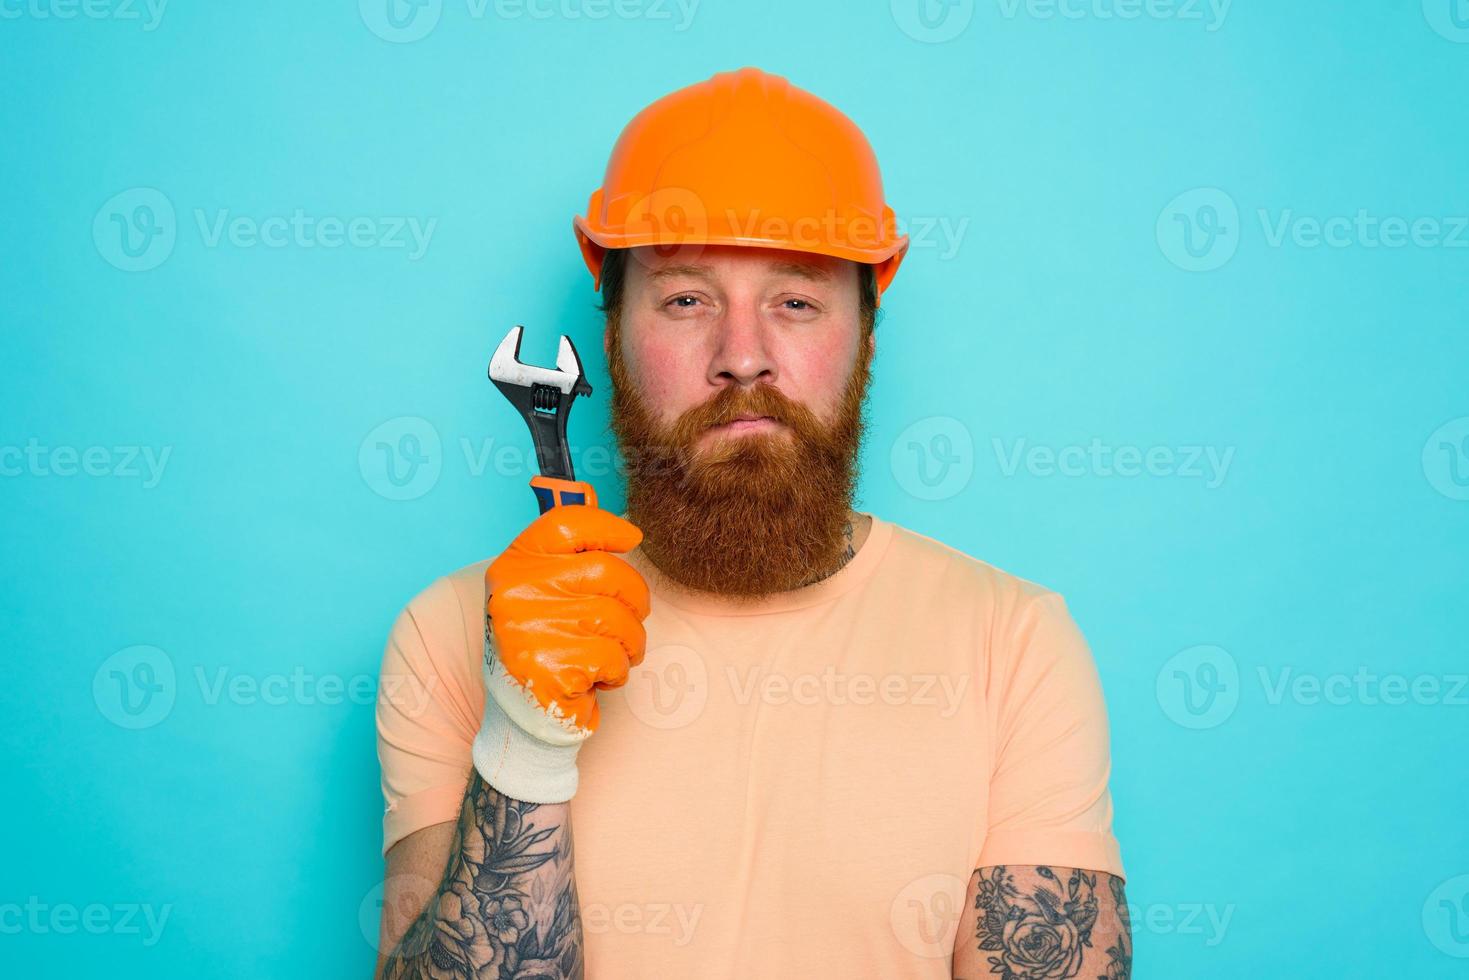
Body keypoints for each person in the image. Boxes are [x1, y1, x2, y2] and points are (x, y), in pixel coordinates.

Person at [373, 66, 1129, 980]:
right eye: (686, 299)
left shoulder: (1012, 643)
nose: (741, 357)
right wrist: (522, 745)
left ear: (866, 338)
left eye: (797, 301)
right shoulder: (456, 633)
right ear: (610, 338)